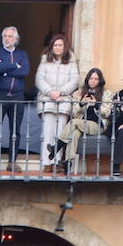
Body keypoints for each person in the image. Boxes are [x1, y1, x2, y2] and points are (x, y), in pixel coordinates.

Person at [0, 25, 30, 171]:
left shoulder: (22, 55)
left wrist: (6, 70)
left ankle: (12, 161)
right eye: (5, 36)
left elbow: (24, 71)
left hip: (17, 96)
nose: (7, 39)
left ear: (16, 39)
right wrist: (14, 66)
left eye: (10, 36)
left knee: (15, 130)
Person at [36, 35, 78, 171]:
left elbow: (74, 80)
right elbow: (39, 79)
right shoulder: (45, 60)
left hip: (63, 100)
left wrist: (60, 92)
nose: (57, 47)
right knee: (47, 132)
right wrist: (50, 92)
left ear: (64, 47)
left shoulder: (71, 61)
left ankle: (56, 162)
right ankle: (47, 163)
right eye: (55, 45)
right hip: (47, 100)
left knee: (60, 134)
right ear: (51, 47)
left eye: (60, 45)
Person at [53, 68, 108, 172]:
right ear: (87, 79)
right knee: (73, 135)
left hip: (97, 125)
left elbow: (107, 112)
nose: (93, 81)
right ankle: (67, 164)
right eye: (91, 78)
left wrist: (96, 105)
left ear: (100, 80)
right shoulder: (78, 94)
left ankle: (56, 147)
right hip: (81, 124)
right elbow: (74, 113)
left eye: (96, 79)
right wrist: (82, 103)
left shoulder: (106, 93)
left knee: (74, 122)